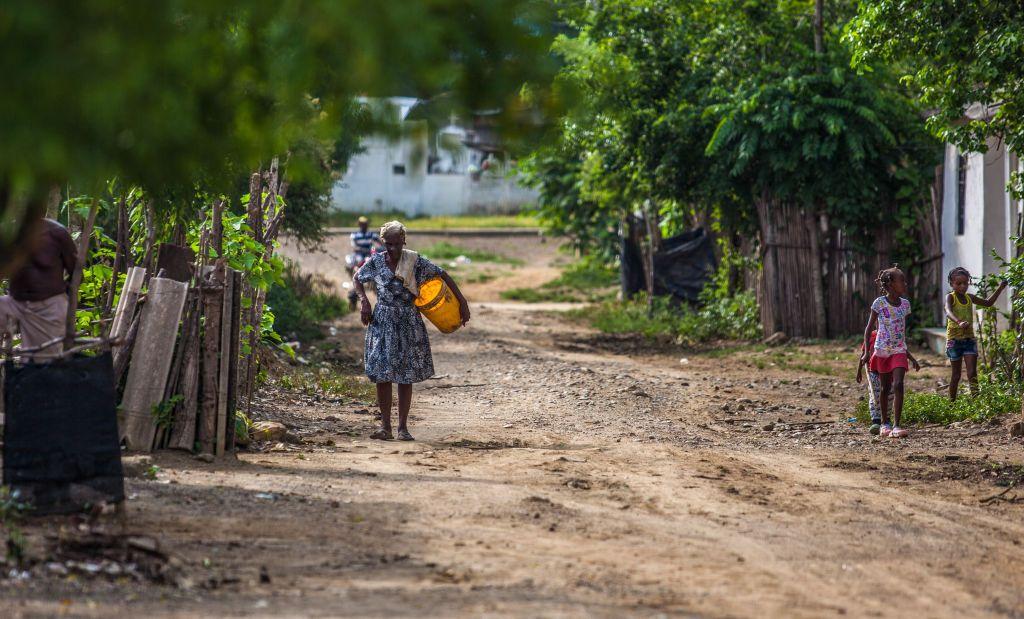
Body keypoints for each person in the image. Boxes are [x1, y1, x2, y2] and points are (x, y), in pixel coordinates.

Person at [352, 220, 470, 441]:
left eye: (397, 244)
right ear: (383, 242)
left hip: (408, 320)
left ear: (404, 241)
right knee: (383, 374)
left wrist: (462, 303)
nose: (393, 249)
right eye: (389, 244)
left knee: (405, 375)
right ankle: (385, 427)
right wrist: (364, 302)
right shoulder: (376, 262)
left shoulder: (415, 261)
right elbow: (357, 278)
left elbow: (443, 275)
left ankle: (403, 428)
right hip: (383, 321)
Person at [0, 217, 77, 361]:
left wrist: (57, 298)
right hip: (14, 302)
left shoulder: (57, 232)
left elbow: (76, 274)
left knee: (43, 365)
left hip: (48, 305)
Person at [860, 265, 920, 438]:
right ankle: (884, 423)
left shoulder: (905, 305)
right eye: (901, 280)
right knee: (886, 388)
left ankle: (897, 425)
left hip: (899, 350)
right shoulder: (879, 303)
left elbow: (902, 332)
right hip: (882, 350)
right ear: (890, 284)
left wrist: (910, 356)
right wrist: (866, 352)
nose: (905, 283)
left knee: (898, 384)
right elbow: (869, 328)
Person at [944, 267, 1007, 400]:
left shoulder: (970, 298)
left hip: (969, 340)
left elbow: (988, 303)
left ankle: (976, 401)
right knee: (956, 375)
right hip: (954, 340)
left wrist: (1000, 288)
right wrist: (959, 321)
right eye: (958, 283)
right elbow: (948, 311)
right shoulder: (950, 297)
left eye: (965, 283)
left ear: (969, 282)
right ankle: (951, 403)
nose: (962, 286)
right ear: (951, 284)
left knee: (972, 373)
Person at [856, 329, 891, 435]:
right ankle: (876, 421)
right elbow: (863, 354)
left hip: (888, 372)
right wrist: (859, 371)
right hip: (874, 372)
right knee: (874, 396)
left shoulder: (892, 334)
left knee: (890, 396)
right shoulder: (870, 336)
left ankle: (887, 420)